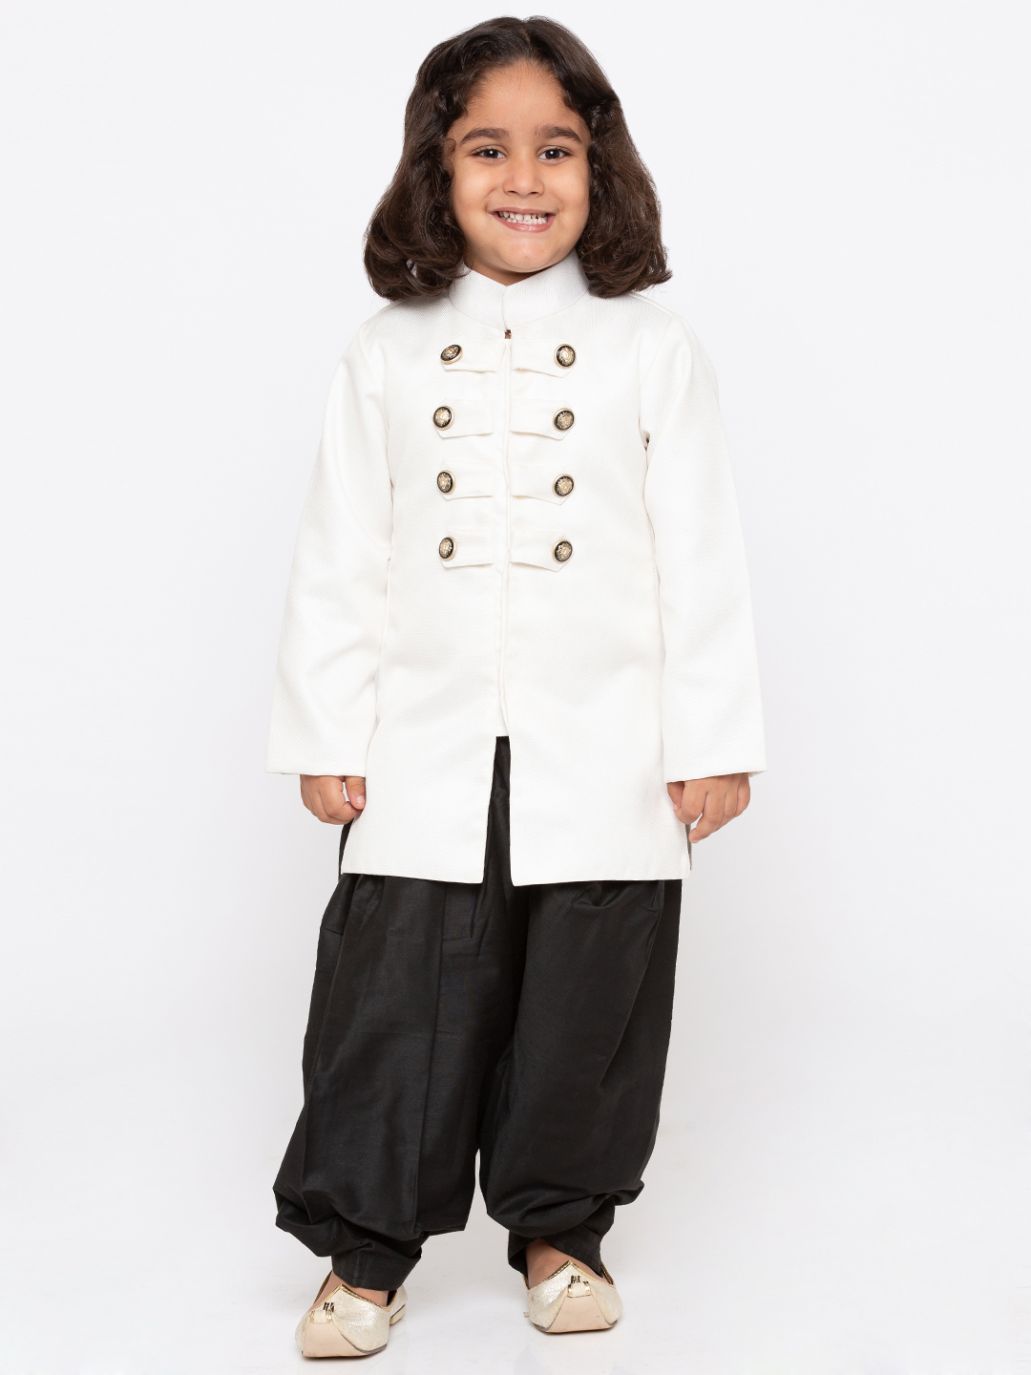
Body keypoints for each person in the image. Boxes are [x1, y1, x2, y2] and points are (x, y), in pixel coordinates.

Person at [265, 15, 767, 1357]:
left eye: (556, 149)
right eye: (488, 148)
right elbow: (340, 551)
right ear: (438, 168)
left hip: (608, 737)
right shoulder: (384, 351)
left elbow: (702, 556)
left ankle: (562, 1234)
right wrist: (325, 725)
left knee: (588, 1006)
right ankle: (365, 1255)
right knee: (394, 1001)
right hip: (422, 740)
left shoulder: (651, 346)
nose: (525, 178)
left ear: (602, 169)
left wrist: (712, 738)